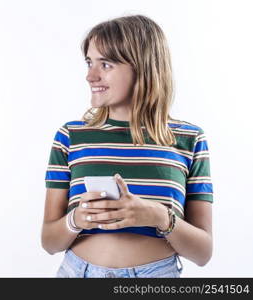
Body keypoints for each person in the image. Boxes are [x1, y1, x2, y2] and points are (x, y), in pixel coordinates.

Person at [41, 14, 213, 278]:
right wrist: (77, 219)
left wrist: (159, 216)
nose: (90, 75)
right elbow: (50, 242)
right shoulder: (71, 136)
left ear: (142, 67)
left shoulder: (189, 139)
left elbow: (203, 253)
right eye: (89, 62)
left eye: (106, 64)